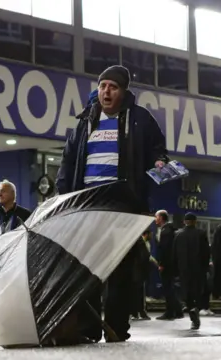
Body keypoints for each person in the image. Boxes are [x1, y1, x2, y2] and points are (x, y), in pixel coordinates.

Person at [55, 65, 168, 343]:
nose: (106, 91)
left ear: (124, 91)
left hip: (121, 206)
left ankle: (117, 328)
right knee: (87, 270)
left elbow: (158, 150)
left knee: (120, 272)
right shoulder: (85, 121)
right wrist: (63, 196)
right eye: (103, 85)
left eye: (113, 87)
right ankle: (89, 329)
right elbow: (68, 161)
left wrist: (159, 162)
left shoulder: (140, 119)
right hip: (87, 206)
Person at [172, 213, 210, 330]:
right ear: (195, 221)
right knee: (198, 291)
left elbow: (173, 254)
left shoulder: (178, 235)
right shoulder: (201, 234)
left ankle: (192, 314)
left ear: (185, 221)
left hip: (184, 270)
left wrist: (175, 270)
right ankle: (196, 308)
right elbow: (206, 253)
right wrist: (205, 267)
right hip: (198, 269)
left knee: (186, 293)